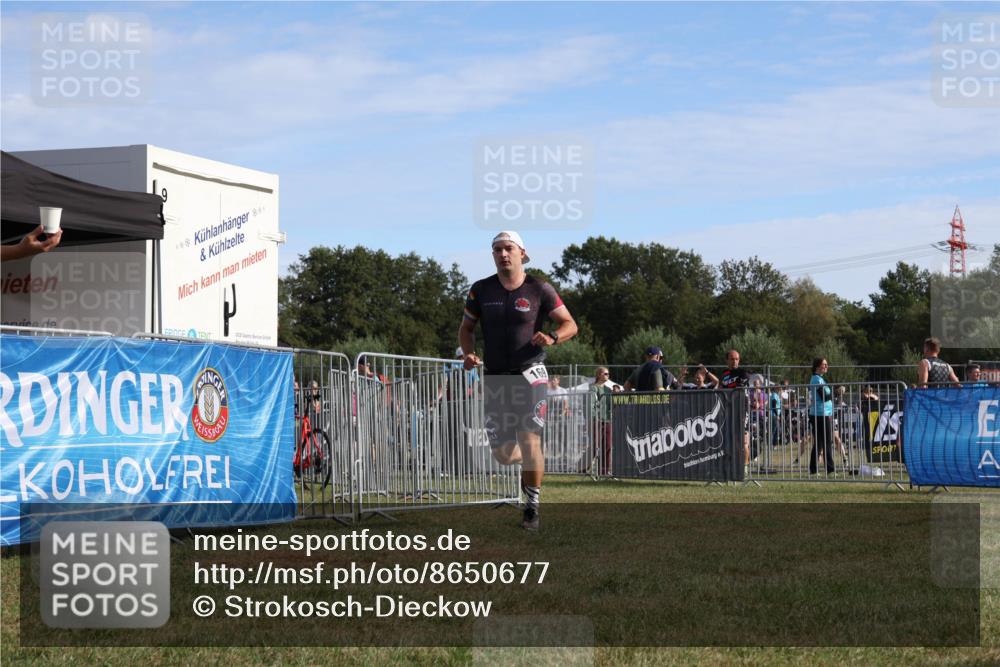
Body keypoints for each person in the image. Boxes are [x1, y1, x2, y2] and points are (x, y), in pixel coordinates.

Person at [459, 230, 578, 531]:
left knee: (529, 438)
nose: (503, 254)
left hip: (530, 373)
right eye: (497, 249)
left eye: (508, 248)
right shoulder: (481, 290)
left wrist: (552, 337)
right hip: (496, 376)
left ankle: (532, 508)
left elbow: (570, 324)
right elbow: (466, 329)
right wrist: (469, 353)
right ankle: (532, 458)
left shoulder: (539, 288)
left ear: (522, 253)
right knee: (502, 454)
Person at [719, 349, 751, 469]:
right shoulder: (724, 374)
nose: (734, 361)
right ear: (727, 360)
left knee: (743, 440)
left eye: (737, 359)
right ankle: (733, 467)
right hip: (729, 409)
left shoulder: (743, 373)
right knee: (731, 440)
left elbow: (738, 389)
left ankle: (745, 468)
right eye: (732, 359)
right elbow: (721, 389)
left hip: (742, 408)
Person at [808, 358, 835, 475]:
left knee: (819, 442)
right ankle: (830, 469)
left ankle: (813, 469)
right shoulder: (816, 379)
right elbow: (824, 396)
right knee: (826, 441)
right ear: (818, 366)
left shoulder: (820, 379)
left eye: (826, 364)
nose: (826, 366)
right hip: (820, 414)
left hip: (822, 413)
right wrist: (836, 392)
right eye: (824, 364)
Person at [589, 367, 613, 475]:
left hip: (607, 420)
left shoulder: (608, 389)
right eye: (605, 373)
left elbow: (612, 404)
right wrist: (594, 418)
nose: (607, 375)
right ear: (599, 375)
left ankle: (604, 471)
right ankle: (582, 466)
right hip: (597, 420)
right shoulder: (593, 388)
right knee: (596, 446)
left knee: (607, 446)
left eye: (608, 374)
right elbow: (591, 405)